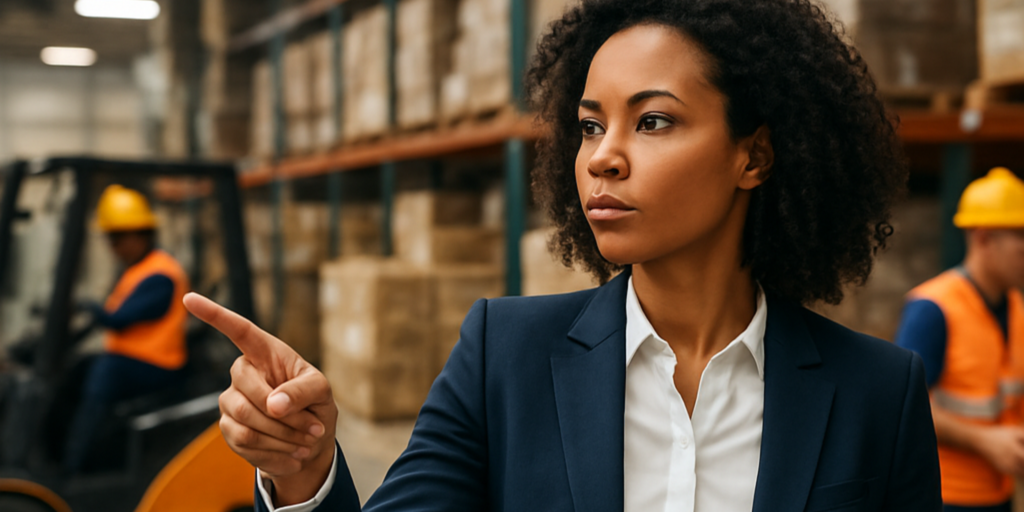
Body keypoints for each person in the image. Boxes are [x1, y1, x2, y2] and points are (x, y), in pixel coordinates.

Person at [186, 0, 941, 510]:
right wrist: (304, 472)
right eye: (588, 126)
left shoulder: (878, 392)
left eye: (652, 121)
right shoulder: (502, 357)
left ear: (756, 156)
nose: (602, 159)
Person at [895, 167, 1024, 512]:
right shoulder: (932, 309)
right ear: (983, 238)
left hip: (998, 494)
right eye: (1020, 236)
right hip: (945, 497)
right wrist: (985, 441)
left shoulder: (1016, 308)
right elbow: (905, 409)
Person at [63, 184, 190, 473]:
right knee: (81, 368)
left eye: (117, 238)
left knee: (104, 373)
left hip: (159, 365)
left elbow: (118, 319)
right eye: (110, 238)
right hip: (135, 358)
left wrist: (87, 305)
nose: (113, 246)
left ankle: (75, 467)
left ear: (140, 234)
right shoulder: (137, 269)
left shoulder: (160, 275)